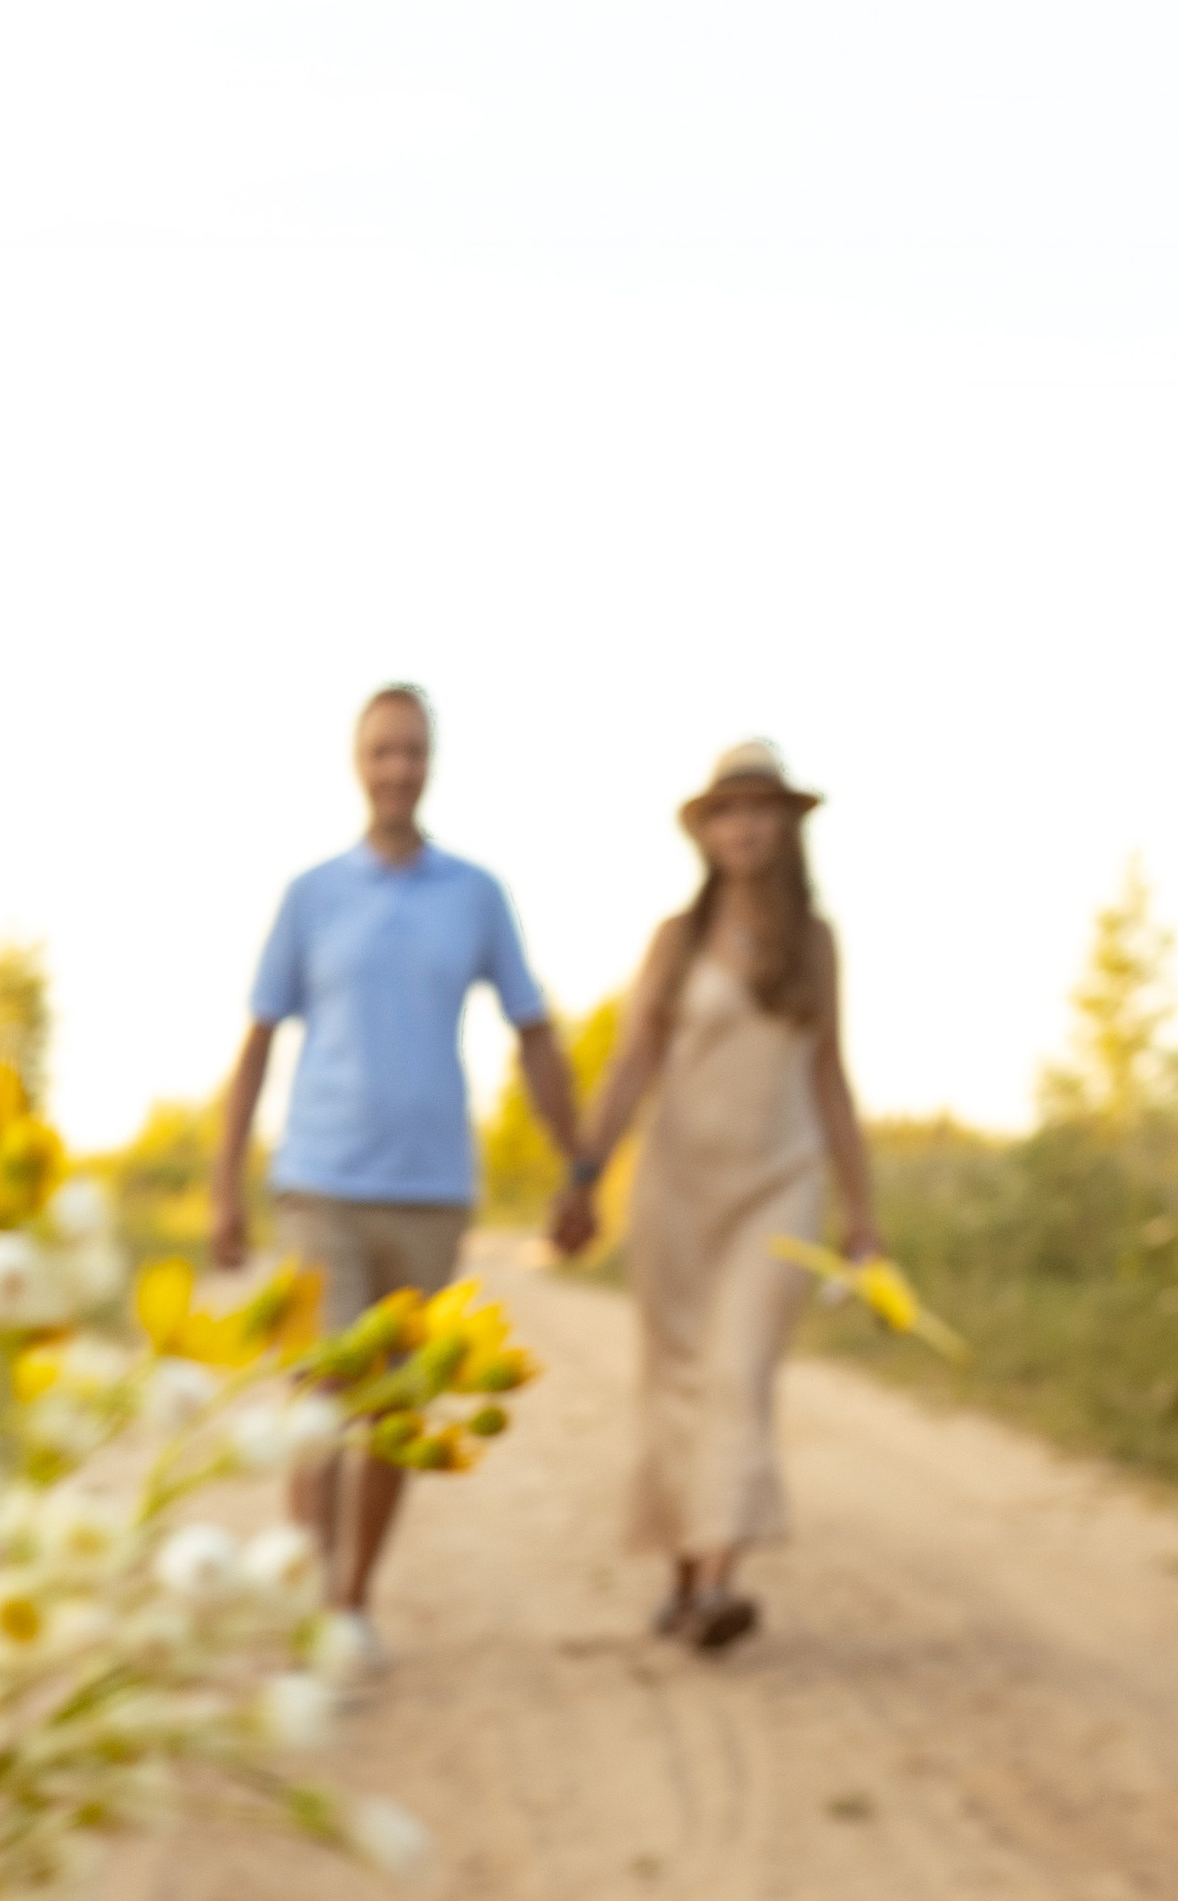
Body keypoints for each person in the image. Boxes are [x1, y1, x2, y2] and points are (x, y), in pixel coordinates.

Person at [210, 683, 588, 1676]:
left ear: (431, 762)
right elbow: (254, 1045)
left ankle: (351, 1598)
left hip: (430, 1191)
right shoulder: (310, 896)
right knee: (318, 1397)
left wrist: (578, 1163)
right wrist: (221, 1187)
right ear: (356, 761)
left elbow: (534, 1031)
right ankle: (308, 1605)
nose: (396, 769)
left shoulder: (476, 895)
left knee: (394, 1407)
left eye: (411, 751)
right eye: (381, 751)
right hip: (320, 1179)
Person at [557, 738, 879, 1653]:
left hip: (778, 1188)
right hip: (675, 1192)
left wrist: (864, 1215)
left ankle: (714, 1586)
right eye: (729, 811)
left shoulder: (816, 944)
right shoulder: (677, 939)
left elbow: (831, 1077)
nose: (746, 826)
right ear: (706, 833)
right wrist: (584, 1173)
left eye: (762, 809)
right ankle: (686, 1565)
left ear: (787, 825)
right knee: (675, 1383)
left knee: (738, 1376)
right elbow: (630, 1065)